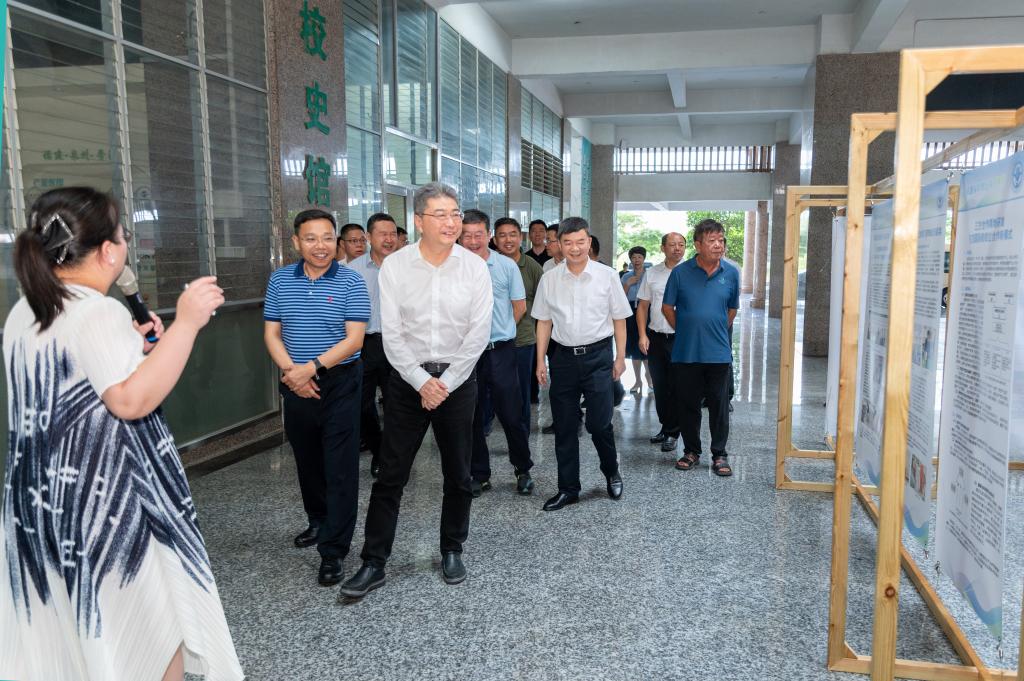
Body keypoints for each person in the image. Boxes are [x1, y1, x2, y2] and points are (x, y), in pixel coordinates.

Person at [1, 187, 242, 681]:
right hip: (104, 505)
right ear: (108, 251)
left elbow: (83, 381)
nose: (126, 243)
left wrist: (134, 349)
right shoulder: (97, 310)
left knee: (76, 631)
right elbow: (130, 402)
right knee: (152, 630)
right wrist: (187, 323)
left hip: (42, 502)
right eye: (122, 233)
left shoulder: (26, 310)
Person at [340, 183, 491, 599]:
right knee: (391, 474)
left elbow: (478, 334)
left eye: (455, 213)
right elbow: (392, 333)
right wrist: (422, 382)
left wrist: (445, 384)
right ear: (419, 221)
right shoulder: (396, 266)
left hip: (458, 381)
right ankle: (374, 561)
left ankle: (452, 548)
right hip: (408, 383)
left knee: (459, 473)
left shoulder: (474, 267)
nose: (451, 222)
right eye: (440, 214)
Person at [264, 209, 370, 586]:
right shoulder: (280, 280)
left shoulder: (351, 280)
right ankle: (318, 521)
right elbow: (272, 334)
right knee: (307, 459)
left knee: (339, 465)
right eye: (310, 238)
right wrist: (293, 373)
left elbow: (354, 340)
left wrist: (311, 368)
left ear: (335, 242)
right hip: (295, 381)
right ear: (296, 242)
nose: (320, 245)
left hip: (339, 381)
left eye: (327, 238)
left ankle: (333, 550)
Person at [533, 217, 632, 511]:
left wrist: (620, 357)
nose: (574, 248)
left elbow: (619, 319)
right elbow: (544, 321)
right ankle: (568, 489)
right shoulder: (550, 278)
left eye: (580, 242)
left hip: (598, 357)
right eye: (568, 243)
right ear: (559, 245)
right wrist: (540, 360)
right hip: (562, 358)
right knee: (564, 427)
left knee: (599, 424)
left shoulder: (607, 276)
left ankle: (611, 471)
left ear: (589, 242)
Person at [460, 210, 535, 496]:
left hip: (500, 350)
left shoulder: (505, 265)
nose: (473, 241)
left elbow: (519, 307)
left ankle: (522, 469)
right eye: (467, 235)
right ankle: (479, 473)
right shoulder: (453, 266)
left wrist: (500, 329)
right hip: (467, 353)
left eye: (478, 234)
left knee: (511, 413)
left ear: (488, 235)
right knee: (472, 415)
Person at [662, 218, 740, 477]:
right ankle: (691, 451)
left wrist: (713, 330)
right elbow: (667, 308)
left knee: (719, 406)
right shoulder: (680, 273)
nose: (718, 245)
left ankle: (720, 454)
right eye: (712, 240)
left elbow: (732, 310)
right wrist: (687, 330)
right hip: (686, 352)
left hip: (718, 353)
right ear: (697, 245)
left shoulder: (731, 273)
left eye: (721, 240)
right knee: (688, 405)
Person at [345, 212, 399, 478]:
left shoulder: (407, 268)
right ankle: (378, 448)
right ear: (368, 237)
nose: (389, 239)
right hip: (363, 344)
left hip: (397, 343)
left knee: (397, 405)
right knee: (360, 403)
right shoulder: (351, 271)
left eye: (393, 234)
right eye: (382, 234)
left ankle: (392, 457)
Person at [493, 217, 544, 435]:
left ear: (520, 237)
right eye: (502, 235)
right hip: (491, 340)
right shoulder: (487, 263)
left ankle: (521, 433)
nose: (508, 240)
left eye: (512, 234)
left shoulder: (531, 266)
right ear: (494, 239)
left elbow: (544, 303)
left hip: (522, 340)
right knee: (490, 389)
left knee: (521, 389)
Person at [636, 232, 686, 452]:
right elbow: (642, 307)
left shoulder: (690, 272)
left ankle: (674, 432)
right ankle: (666, 428)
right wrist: (642, 334)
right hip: (656, 337)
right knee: (660, 385)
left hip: (680, 338)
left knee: (677, 386)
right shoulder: (652, 273)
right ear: (663, 248)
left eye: (681, 244)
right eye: (672, 244)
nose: (677, 248)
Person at [621, 246, 653, 394]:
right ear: (630, 260)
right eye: (634, 257)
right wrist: (628, 284)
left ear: (644, 259)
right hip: (630, 313)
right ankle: (637, 380)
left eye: (639, 257)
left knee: (647, 347)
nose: (637, 260)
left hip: (647, 312)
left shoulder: (650, 275)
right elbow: (619, 298)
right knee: (634, 348)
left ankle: (649, 378)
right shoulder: (625, 277)